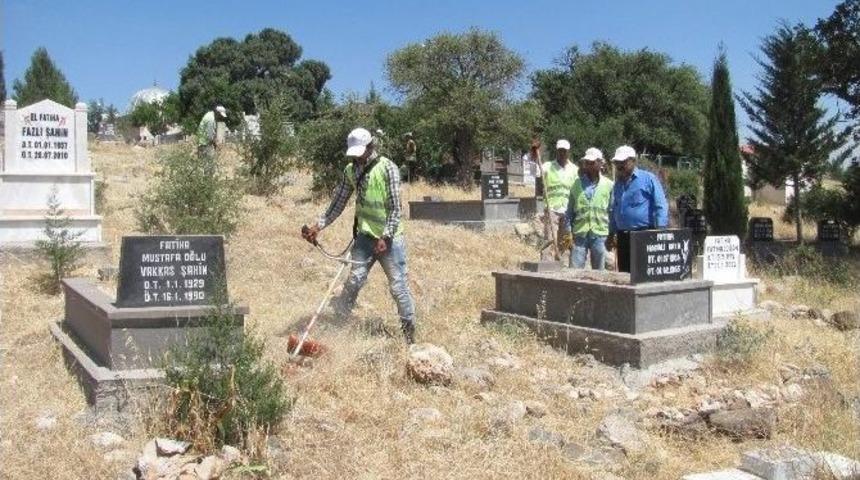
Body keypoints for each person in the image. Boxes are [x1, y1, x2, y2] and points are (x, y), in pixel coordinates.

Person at [302, 128, 417, 344]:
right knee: (355, 279)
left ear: (370, 147)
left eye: (360, 152)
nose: (356, 157)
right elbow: (338, 202)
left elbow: (395, 208)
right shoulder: (350, 170)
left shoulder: (388, 168)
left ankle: (409, 336)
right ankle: (340, 324)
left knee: (398, 286)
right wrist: (318, 225)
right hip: (364, 237)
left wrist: (386, 235)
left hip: (389, 240)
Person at [607, 145, 669, 272]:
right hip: (623, 236)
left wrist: (660, 231)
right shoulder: (617, 184)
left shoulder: (648, 178)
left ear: (633, 161)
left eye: (623, 162)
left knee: (643, 272)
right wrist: (611, 233)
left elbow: (660, 204)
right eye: (617, 163)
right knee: (625, 273)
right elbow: (614, 209)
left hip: (644, 234)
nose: (619, 166)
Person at [567, 148, 613, 270]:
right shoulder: (576, 184)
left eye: (592, 163)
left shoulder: (608, 185)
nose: (589, 166)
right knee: (575, 271)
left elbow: (612, 211)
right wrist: (568, 232)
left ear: (600, 163)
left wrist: (613, 234)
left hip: (600, 235)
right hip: (580, 235)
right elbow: (569, 212)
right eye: (587, 163)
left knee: (600, 272)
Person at [539, 139, 578, 261]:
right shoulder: (547, 166)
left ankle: (563, 263)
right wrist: (536, 154)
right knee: (550, 238)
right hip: (552, 208)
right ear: (557, 151)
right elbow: (537, 170)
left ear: (568, 152)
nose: (562, 153)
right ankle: (547, 264)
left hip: (567, 210)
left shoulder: (574, 169)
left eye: (564, 151)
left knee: (565, 240)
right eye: (560, 151)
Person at [197, 105, 227, 172]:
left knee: (205, 166)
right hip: (205, 144)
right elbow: (210, 136)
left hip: (203, 143)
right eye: (220, 115)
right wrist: (215, 144)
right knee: (210, 167)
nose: (220, 117)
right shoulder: (211, 119)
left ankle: (206, 180)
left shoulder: (209, 114)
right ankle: (209, 181)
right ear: (217, 112)